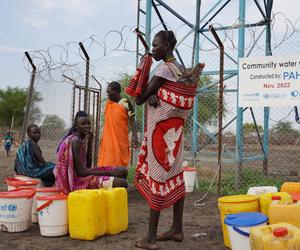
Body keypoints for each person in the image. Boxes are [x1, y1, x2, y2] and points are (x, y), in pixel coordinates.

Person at [133, 30, 205, 249]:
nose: (153, 49)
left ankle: (150, 238)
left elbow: (138, 98)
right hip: (174, 134)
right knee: (175, 174)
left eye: (156, 46)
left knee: (157, 175)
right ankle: (177, 229)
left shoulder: (164, 68)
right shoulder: (181, 70)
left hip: (160, 136)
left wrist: (145, 74)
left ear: (168, 45)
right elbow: (163, 94)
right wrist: (154, 93)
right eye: (152, 46)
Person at [54, 111, 128, 194]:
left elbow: (87, 165)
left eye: (88, 123)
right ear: (76, 126)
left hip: (81, 175)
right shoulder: (75, 142)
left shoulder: (80, 139)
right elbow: (82, 173)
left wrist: (90, 142)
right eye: (83, 124)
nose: (87, 126)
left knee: (123, 170)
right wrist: (111, 173)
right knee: (122, 182)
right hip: (75, 182)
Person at [97, 81, 138, 169]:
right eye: (107, 92)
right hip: (109, 141)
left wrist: (135, 136)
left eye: (110, 91)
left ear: (117, 91)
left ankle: (119, 179)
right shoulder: (109, 104)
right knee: (108, 162)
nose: (108, 94)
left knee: (120, 164)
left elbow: (132, 120)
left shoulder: (126, 102)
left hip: (121, 139)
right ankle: (106, 180)